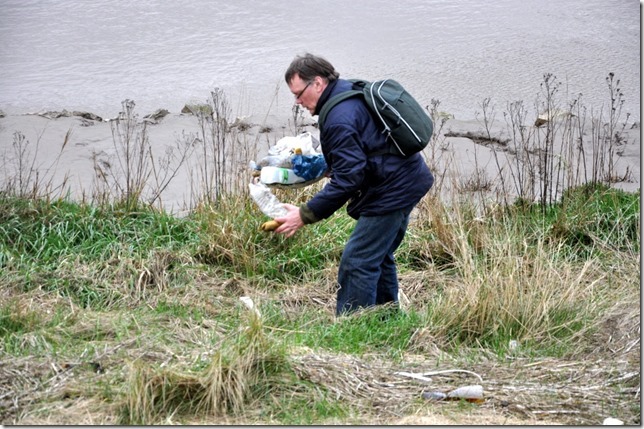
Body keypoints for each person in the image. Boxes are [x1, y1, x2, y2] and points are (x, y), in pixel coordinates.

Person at [275, 53, 434, 316]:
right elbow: (365, 150)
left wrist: (305, 214)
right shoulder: (346, 90)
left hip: (392, 190)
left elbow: (350, 179)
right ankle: (386, 318)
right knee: (378, 256)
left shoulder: (338, 117)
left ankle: (353, 326)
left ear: (317, 83)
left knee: (357, 260)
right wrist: (328, 166)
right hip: (405, 180)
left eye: (299, 93)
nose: (297, 102)